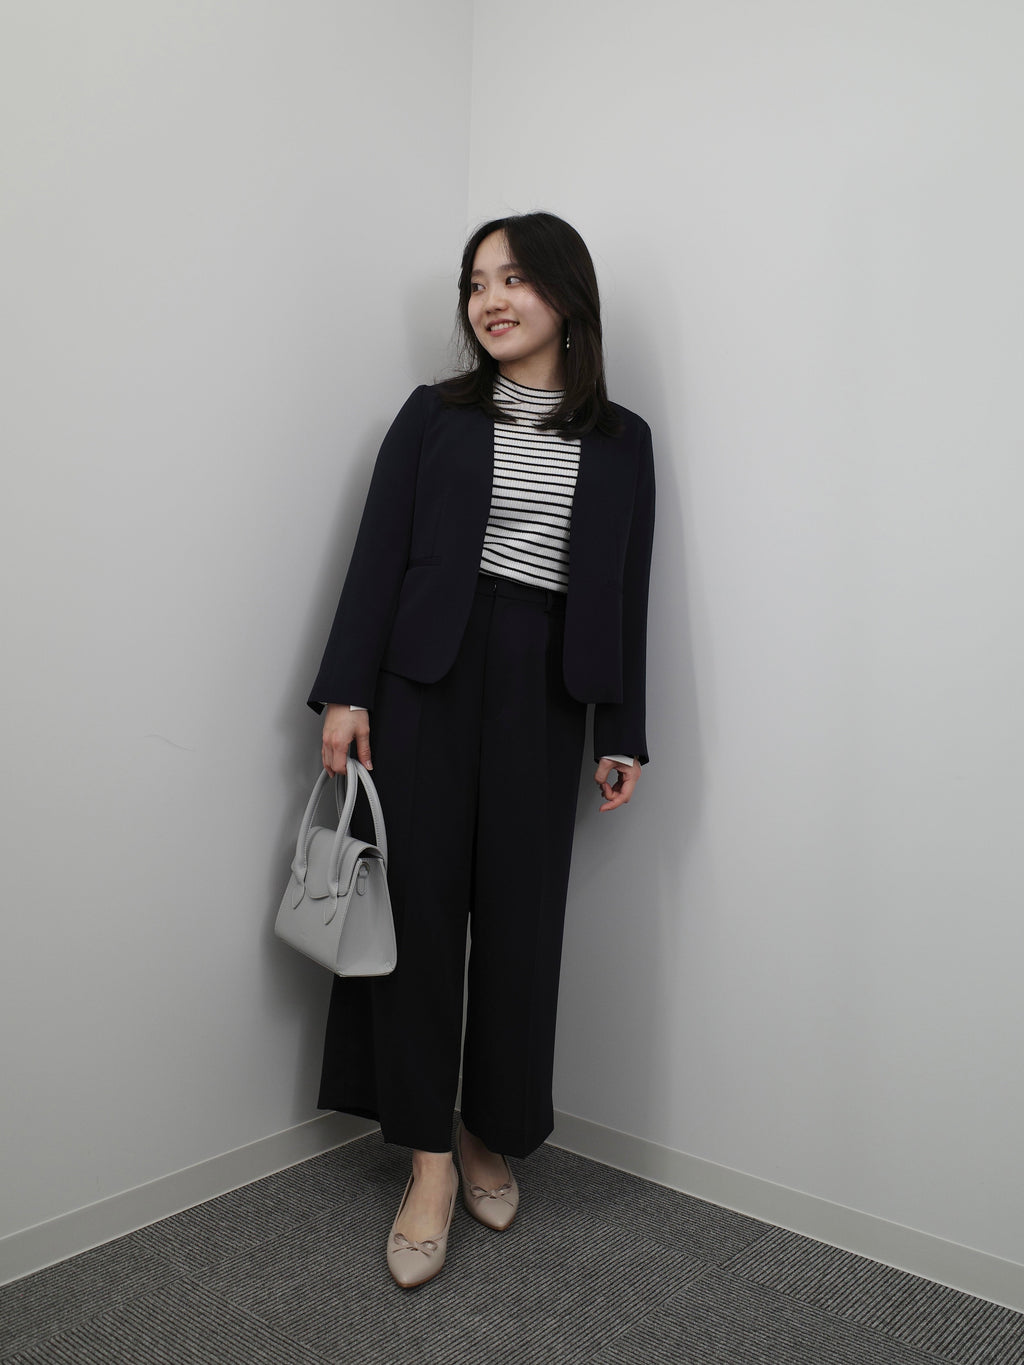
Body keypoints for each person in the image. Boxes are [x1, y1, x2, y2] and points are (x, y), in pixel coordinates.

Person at [308, 212, 655, 1288]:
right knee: (416, 917)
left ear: (566, 295)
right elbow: (378, 554)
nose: (490, 300)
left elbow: (624, 589)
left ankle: (487, 1131)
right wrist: (344, 692)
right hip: (424, 681)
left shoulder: (623, 439)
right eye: (476, 283)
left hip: (546, 687)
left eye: (512, 279)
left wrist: (623, 728)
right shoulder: (436, 416)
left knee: (520, 924)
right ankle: (425, 1159)